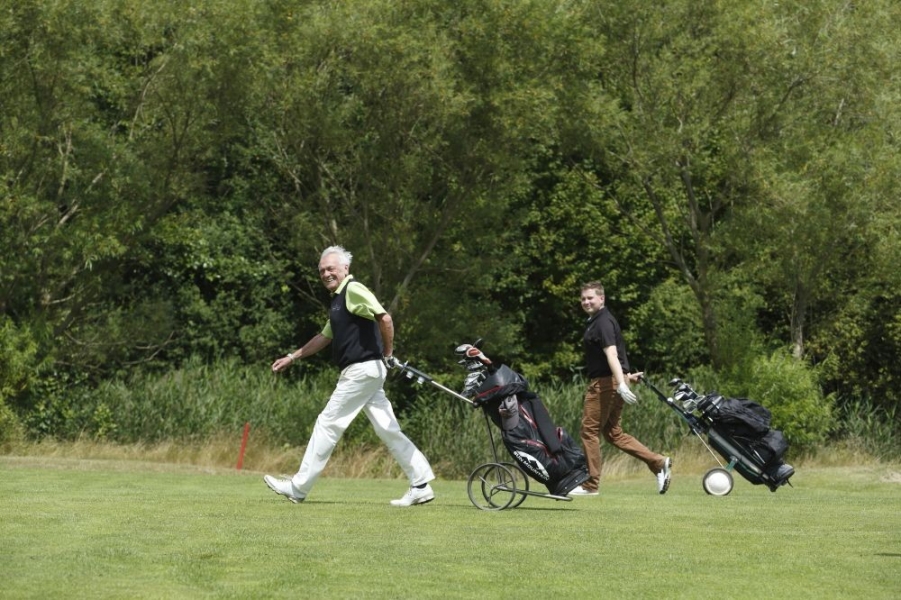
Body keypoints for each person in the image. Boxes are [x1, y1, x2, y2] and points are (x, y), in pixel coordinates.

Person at [263, 245, 436, 507]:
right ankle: (421, 484)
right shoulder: (338, 301)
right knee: (388, 429)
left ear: (345, 268)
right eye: (322, 270)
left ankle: (298, 488)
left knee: (327, 423)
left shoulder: (353, 289)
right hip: (367, 372)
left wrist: (388, 353)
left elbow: (385, 319)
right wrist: (292, 357)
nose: (326, 274)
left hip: (361, 370)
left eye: (331, 268)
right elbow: (324, 337)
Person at [569, 281, 672, 496]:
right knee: (613, 433)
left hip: (604, 384)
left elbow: (612, 354)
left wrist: (622, 383)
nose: (586, 302)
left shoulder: (602, 322)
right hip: (613, 381)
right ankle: (658, 462)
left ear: (602, 298)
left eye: (590, 298)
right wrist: (625, 378)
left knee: (589, 431)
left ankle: (591, 485)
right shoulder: (597, 321)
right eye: (583, 298)